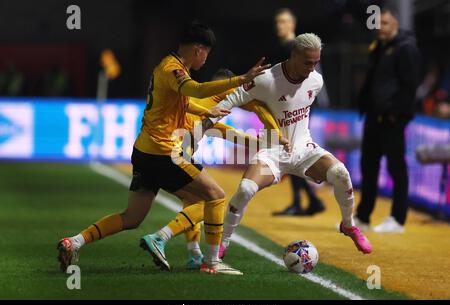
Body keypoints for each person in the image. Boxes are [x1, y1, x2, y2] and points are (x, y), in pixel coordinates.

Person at [57, 21, 270, 275]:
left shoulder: (169, 67)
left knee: (132, 218)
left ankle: (75, 242)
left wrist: (208, 112)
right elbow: (197, 90)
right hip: (163, 152)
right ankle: (204, 259)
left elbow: (187, 104)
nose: (206, 59)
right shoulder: (174, 70)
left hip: (145, 152)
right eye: (207, 54)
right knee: (216, 196)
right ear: (199, 49)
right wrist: (242, 79)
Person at [201, 33, 373, 258]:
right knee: (245, 189)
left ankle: (348, 225)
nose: (312, 68)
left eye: (316, 63)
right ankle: (223, 242)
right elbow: (233, 98)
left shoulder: (316, 81)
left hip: (303, 150)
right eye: (307, 62)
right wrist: (206, 122)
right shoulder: (266, 79)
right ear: (293, 55)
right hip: (272, 154)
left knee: (340, 173)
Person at [144, 68, 288, 271]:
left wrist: (267, 142)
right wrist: (277, 134)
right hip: (175, 154)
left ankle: (194, 254)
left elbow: (232, 135)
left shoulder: (205, 107)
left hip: (164, 153)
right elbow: (258, 106)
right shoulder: (223, 96)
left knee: (192, 202)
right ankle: (160, 237)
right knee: (212, 199)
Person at [355, 7, 421, 233]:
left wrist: (397, 113)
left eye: (384, 23)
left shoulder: (405, 48)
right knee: (368, 166)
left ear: (395, 24)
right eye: (377, 23)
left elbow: (410, 85)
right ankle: (363, 217)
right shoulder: (379, 47)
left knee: (396, 167)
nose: (379, 27)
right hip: (374, 115)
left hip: (392, 118)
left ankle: (397, 219)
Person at [270, 8, 327, 216]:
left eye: (284, 22)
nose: (280, 26)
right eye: (278, 22)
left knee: (292, 154)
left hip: (297, 108)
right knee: (292, 154)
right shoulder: (298, 46)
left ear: (292, 25)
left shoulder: (292, 47)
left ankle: (303, 201)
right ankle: (310, 200)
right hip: (299, 107)